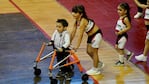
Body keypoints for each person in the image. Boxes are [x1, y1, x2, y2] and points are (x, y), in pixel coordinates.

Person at [70, 4, 104, 75]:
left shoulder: (83, 21)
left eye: (75, 13)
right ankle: (98, 63)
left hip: (96, 35)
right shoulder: (76, 21)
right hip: (91, 36)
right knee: (88, 51)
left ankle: (95, 70)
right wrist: (68, 42)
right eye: (73, 12)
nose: (73, 13)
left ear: (81, 14)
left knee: (94, 52)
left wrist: (77, 46)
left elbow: (80, 35)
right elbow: (73, 32)